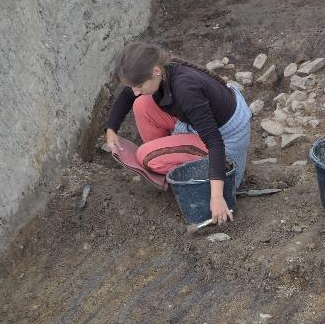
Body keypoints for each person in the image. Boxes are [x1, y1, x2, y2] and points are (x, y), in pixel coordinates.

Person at [105, 42, 252, 225]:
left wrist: (216, 197)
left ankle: (171, 163)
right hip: (204, 125)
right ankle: (169, 155)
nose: (135, 91)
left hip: (225, 141)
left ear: (156, 71)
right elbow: (129, 94)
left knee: (145, 156)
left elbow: (215, 142)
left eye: (138, 85)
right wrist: (111, 128)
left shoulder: (186, 90)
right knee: (142, 104)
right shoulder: (163, 71)